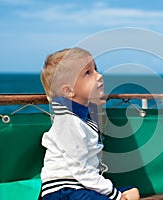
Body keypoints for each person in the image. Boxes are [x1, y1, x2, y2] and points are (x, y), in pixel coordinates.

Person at [40, 47, 140, 200]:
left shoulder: (82, 117)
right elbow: (81, 170)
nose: (99, 76)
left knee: (133, 192)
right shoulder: (68, 122)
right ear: (68, 91)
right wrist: (115, 195)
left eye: (96, 69)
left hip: (82, 185)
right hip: (64, 190)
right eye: (88, 73)